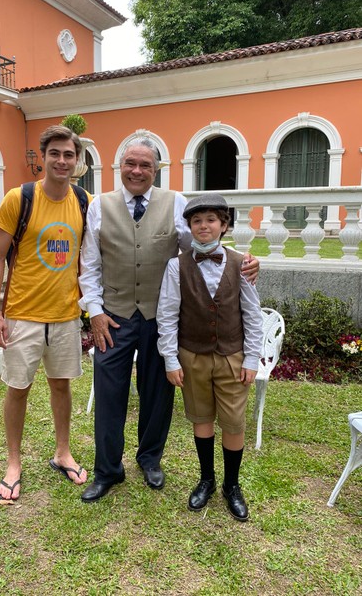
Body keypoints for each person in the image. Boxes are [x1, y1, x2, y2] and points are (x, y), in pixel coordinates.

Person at [78, 136, 259, 503]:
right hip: (113, 315)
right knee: (110, 395)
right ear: (120, 167)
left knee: (157, 394)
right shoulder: (99, 206)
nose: (137, 171)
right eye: (130, 163)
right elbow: (90, 264)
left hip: (159, 317)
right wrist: (94, 312)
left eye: (146, 165)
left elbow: (202, 246)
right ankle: (107, 470)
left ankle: (150, 459)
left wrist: (244, 262)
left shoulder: (176, 203)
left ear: (156, 170)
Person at [0, 125, 91, 503]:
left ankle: (62, 452)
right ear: (43, 158)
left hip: (65, 315)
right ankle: (13, 462)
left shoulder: (84, 201)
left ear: (77, 161)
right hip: (22, 314)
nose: (62, 161)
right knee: (19, 388)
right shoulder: (20, 198)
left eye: (69, 155)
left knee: (61, 385)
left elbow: (91, 259)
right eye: (55, 154)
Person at [156, 193, 263, 521]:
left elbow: (252, 313)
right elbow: (168, 313)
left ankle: (232, 485)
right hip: (193, 356)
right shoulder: (176, 266)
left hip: (232, 356)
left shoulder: (240, 263)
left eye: (211, 220)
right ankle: (207, 479)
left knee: (233, 422)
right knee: (201, 419)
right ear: (189, 226)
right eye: (197, 221)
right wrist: (171, 359)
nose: (204, 226)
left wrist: (251, 358)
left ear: (224, 225)